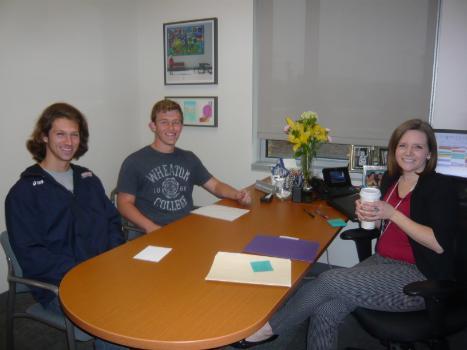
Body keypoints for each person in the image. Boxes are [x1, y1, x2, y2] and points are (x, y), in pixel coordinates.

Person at [231, 119, 458, 350]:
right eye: (403, 145)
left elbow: (438, 244)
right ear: (394, 149)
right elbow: (387, 227)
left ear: (429, 153)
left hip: (418, 275)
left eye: (418, 147)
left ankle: (268, 329)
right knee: (325, 309)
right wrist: (370, 216)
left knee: (326, 281)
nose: (408, 152)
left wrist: (392, 213)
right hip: (382, 263)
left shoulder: (440, 187)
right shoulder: (392, 179)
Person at [5, 103, 127, 350]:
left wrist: (114, 259)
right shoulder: (24, 193)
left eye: (74, 134)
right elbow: (32, 256)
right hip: (61, 285)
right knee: (117, 325)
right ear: (44, 136)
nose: (69, 141)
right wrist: (84, 275)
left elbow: (113, 222)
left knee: (154, 298)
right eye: (60, 134)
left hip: (105, 274)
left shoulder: (88, 179)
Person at [116, 99, 251, 238]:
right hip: (150, 232)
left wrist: (237, 195)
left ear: (181, 126)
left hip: (185, 229)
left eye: (176, 122)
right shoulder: (135, 161)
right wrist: (150, 227)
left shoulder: (189, 158)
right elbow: (123, 203)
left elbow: (215, 186)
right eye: (164, 122)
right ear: (153, 126)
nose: (171, 128)